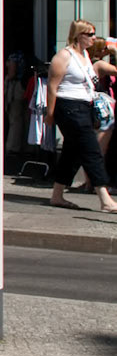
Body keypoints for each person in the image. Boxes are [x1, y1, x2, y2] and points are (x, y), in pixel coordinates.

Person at [47, 20, 117, 212]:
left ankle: (57, 195)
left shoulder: (85, 55)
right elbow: (52, 87)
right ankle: (105, 199)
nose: (94, 38)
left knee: (72, 152)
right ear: (79, 35)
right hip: (68, 106)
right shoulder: (63, 56)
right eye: (91, 34)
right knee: (91, 150)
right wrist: (50, 114)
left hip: (83, 107)